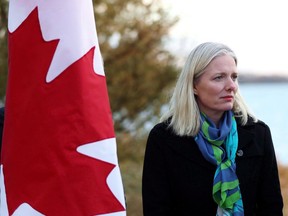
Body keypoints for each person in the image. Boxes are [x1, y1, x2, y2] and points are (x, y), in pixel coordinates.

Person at [142, 42, 283, 216]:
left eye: (234, 76)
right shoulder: (164, 138)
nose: (231, 85)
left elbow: (271, 207)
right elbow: (156, 209)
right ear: (193, 85)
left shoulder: (258, 134)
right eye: (219, 77)